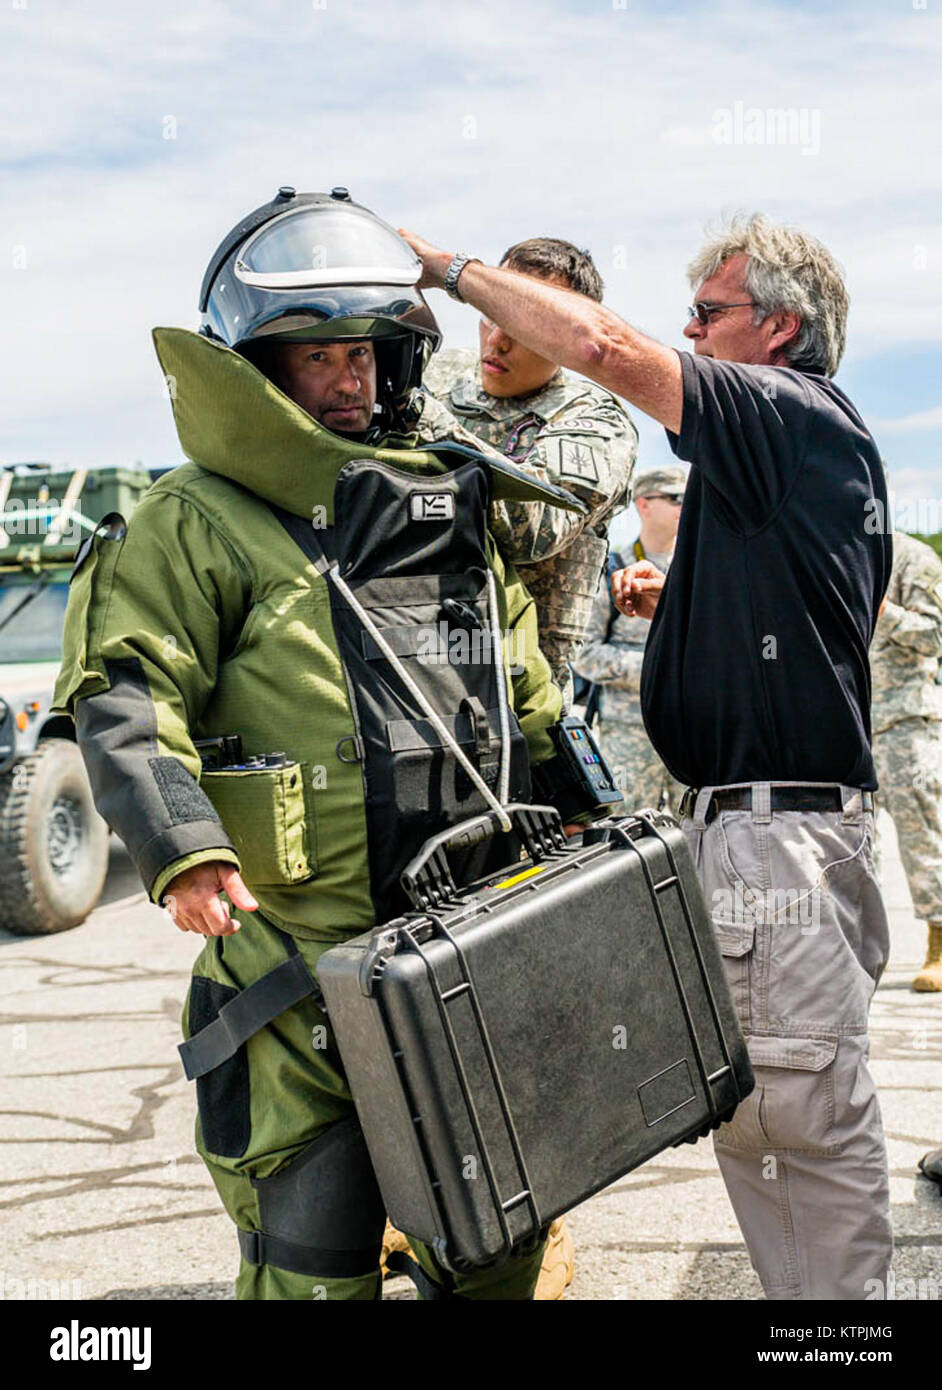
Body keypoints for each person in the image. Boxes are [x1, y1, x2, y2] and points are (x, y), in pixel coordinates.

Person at [51, 187, 592, 1302]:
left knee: (497, 1251)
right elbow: (125, 688)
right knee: (312, 1258)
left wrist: (583, 804)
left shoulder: (445, 507)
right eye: (316, 357)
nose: (348, 379)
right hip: (301, 977)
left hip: (471, 946)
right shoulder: (195, 519)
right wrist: (182, 844)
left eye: (364, 354)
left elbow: (522, 678)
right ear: (256, 366)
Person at [401, 211, 894, 1301]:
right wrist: (693, 603)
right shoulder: (793, 446)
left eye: (708, 313)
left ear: (779, 325)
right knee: (773, 1129)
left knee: (801, 1129)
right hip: (769, 829)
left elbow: (609, 352)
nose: (689, 329)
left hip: (775, 842)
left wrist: (452, 271)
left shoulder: (783, 407)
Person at [417, 237, 638, 703]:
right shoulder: (433, 374)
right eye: (492, 313)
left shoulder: (594, 419)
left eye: (524, 324)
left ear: (570, 338)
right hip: (401, 658)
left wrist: (419, 415)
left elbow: (534, 530)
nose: (497, 339)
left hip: (515, 691)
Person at [573, 466, 686, 814]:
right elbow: (585, 654)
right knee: (630, 835)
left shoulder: (696, 569)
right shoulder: (614, 568)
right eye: (675, 498)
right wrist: (658, 666)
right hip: (628, 734)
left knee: (700, 834)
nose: (686, 506)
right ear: (644, 504)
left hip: (690, 727)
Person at [871, 528, 942, 992]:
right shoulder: (830, 552)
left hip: (904, 724)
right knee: (849, 847)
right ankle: (854, 953)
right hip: (846, 723)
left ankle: (939, 942)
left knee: (923, 837)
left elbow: (935, 634)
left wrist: (884, 612)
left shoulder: (912, 558)